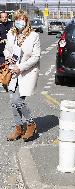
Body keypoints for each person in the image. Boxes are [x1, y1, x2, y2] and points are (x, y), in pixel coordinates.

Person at [4, 9, 40, 142]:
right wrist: (9, 58)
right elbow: (7, 50)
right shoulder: (11, 34)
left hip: (26, 72)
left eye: (22, 19)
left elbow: (36, 56)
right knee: (13, 102)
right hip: (13, 71)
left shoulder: (33, 36)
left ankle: (31, 124)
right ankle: (19, 129)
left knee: (17, 100)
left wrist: (21, 67)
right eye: (17, 19)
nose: (20, 22)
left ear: (26, 21)